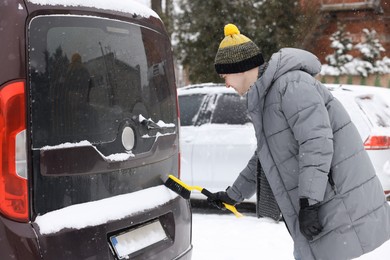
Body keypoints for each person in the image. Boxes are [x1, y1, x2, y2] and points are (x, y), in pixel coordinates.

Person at [208, 23, 390, 260]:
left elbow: (317, 142)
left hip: (335, 203)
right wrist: (233, 195)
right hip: (323, 204)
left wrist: (310, 203)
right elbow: (266, 156)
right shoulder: (267, 99)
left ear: (240, 68)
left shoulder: (291, 85)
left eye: (226, 76)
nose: (227, 84)